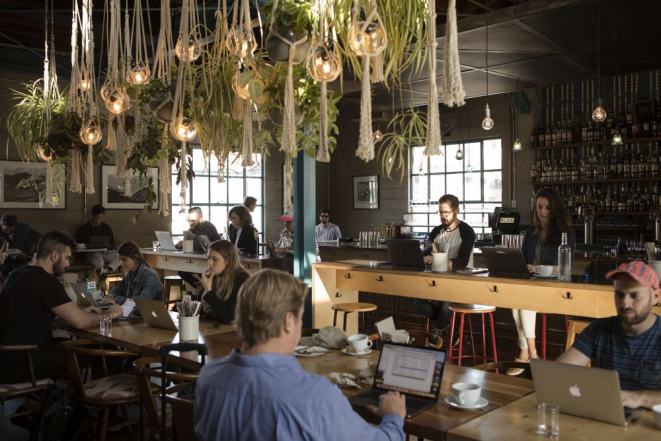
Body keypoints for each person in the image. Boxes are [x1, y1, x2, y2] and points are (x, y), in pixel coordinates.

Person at [195, 269, 406, 440]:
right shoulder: (316, 397)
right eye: (300, 318)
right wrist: (394, 417)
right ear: (288, 321)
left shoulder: (208, 378)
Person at [0, 231, 123, 383]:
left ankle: (79, 399)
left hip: (8, 358)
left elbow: (30, 313)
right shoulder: (46, 280)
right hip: (24, 362)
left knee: (81, 345)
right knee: (102, 350)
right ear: (54, 256)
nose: (68, 264)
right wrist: (112, 313)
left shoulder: (17, 273)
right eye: (67, 258)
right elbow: (81, 322)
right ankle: (97, 401)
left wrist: (75, 312)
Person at [558, 261, 661, 409]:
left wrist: (639, 398)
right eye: (619, 294)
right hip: (604, 417)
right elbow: (559, 373)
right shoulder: (599, 329)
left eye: (635, 295)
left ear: (656, 297)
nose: (625, 303)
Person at [512, 187, 575, 363]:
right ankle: (529, 353)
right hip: (532, 286)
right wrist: (526, 267)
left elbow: (565, 268)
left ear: (555, 209)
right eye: (539, 207)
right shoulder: (530, 234)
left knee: (523, 300)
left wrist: (538, 268)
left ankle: (528, 353)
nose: (543, 212)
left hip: (555, 288)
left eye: (547, 208)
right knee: (515, 301)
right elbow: (523, 262)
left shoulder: (567, 234)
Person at [408, 194, 475, 336]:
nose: (442, 216)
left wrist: (438, 260)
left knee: (445, 304)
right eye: (440, 212)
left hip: (459, 282)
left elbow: (462, 261)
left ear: (456, 210)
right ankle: (451, 327)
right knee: (414, 301)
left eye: (446, 212)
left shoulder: (466, 231)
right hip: (436, 281)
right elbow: (425, 253)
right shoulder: (436, 231)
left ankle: (439, 332)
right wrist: (422, 257)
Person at [199, 240, 250, 323]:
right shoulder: (214, 276)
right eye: (208, 258)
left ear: (228, 261)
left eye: (215, 259)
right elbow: (201, 311)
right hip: (214, 330)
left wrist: (208, 291)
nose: (210, 263)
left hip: (234, 333)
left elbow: (229, 318)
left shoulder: (241, 280)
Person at [176, 207, 221, 288]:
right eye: (188, 220)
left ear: (200, 219)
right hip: (201, 259)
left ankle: (203, 289)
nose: (190, 223)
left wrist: (185, 243)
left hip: (214, 259)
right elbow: (187, 242)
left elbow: (197, 245)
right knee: (182, 271)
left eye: (193, 221)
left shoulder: (208, 227)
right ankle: (201, 288)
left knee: (198, 271)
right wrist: (178, 245)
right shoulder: (193, 228)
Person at [75, 204, 120, 275]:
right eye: (96, 218)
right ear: (92, 216)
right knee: (99, 262)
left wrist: (108, 246)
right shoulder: (84, 228)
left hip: (104, 252)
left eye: (100, 218)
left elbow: (112, 242)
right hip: (92, 254)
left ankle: (108, 269)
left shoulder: (106, 228)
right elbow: (78, 243)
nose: (98, 220)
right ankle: (96, 284)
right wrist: (87, 246)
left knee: (120, 256)